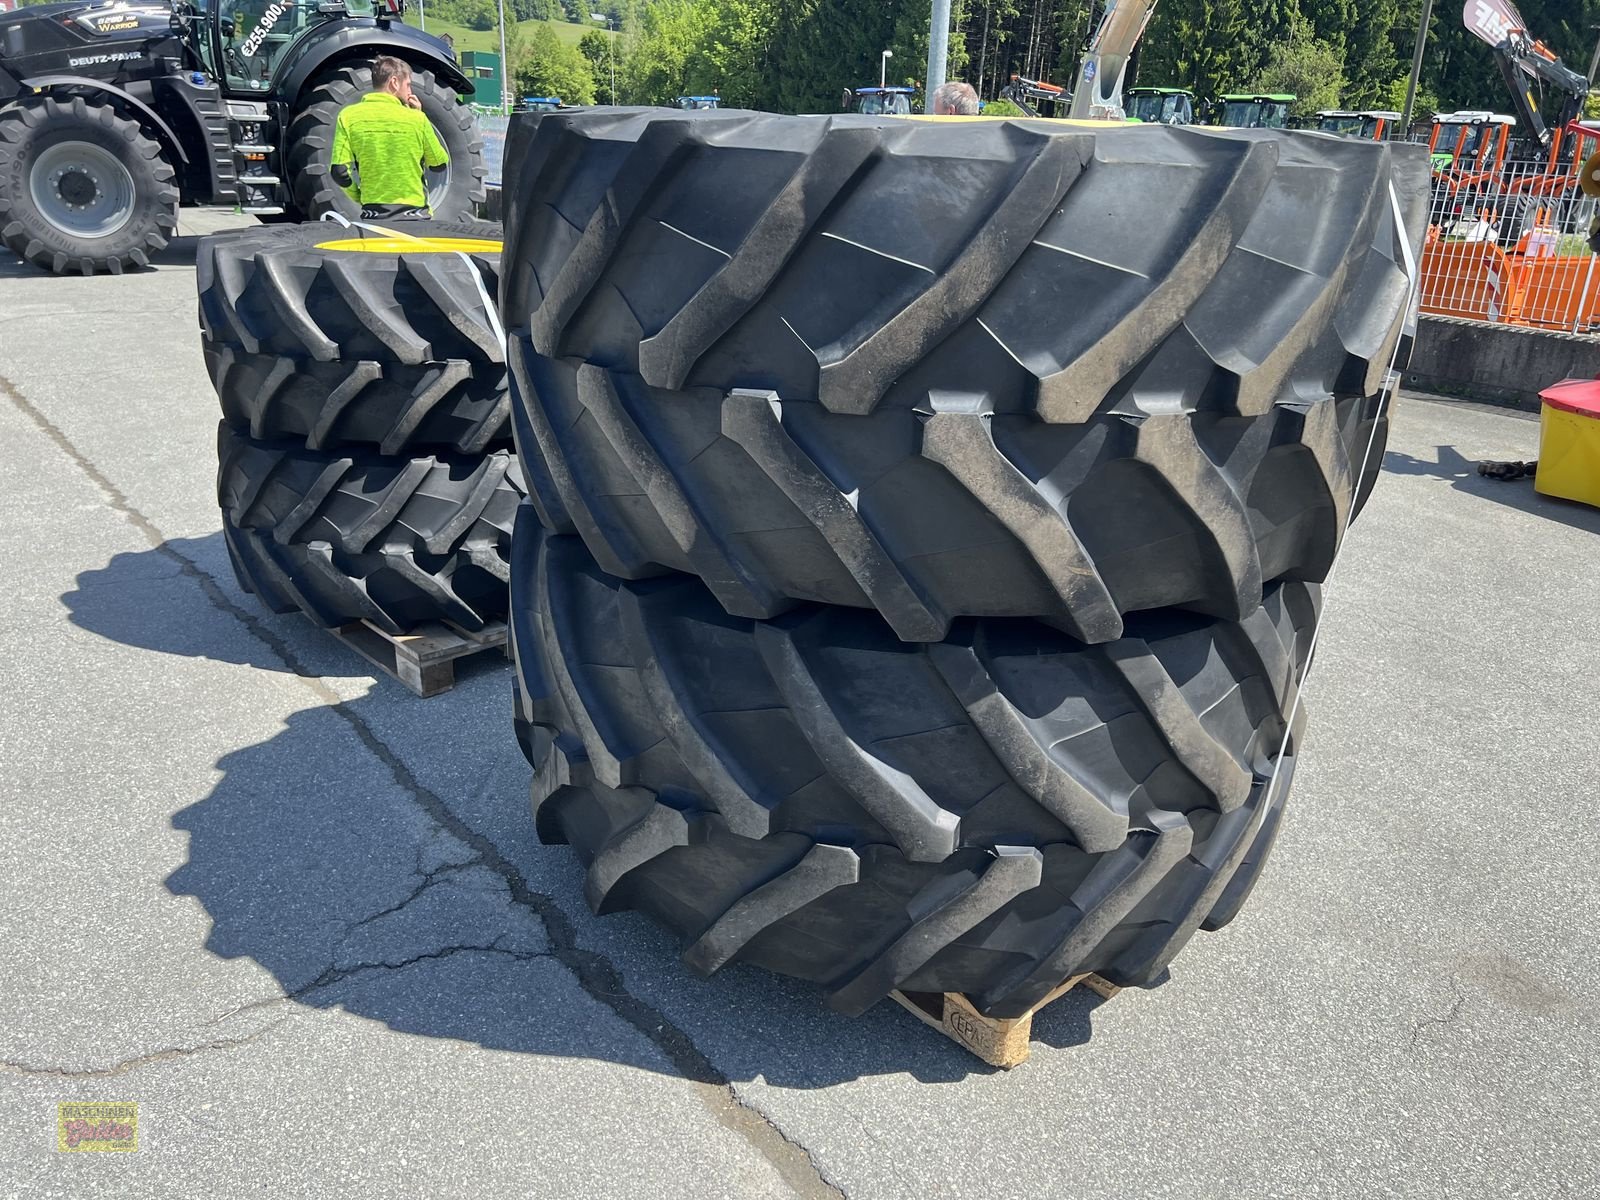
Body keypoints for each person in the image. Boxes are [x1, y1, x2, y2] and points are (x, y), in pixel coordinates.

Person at [329, 56, 448, 219]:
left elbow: (339, 172)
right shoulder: (416, 119)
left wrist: (359, 196)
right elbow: (439, 163)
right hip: (415, 216)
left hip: (374, 216)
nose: (410, 92)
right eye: (408, 85)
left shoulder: (348, 116)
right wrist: (420, 115)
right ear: (394, 82)